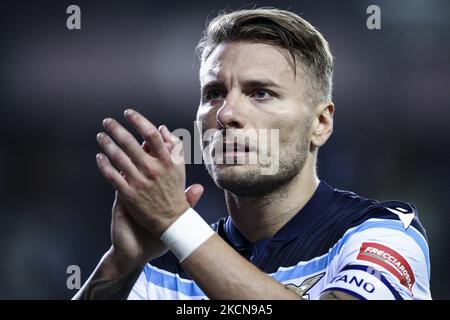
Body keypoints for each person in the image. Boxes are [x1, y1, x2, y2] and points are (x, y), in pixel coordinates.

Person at [74, 8, 431, 300]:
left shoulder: (383, 234)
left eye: (260, 93)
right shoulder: (162, 271)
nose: (226, 113)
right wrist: (120, 264)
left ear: (320, 124)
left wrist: (175, 222)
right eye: (214, 93)